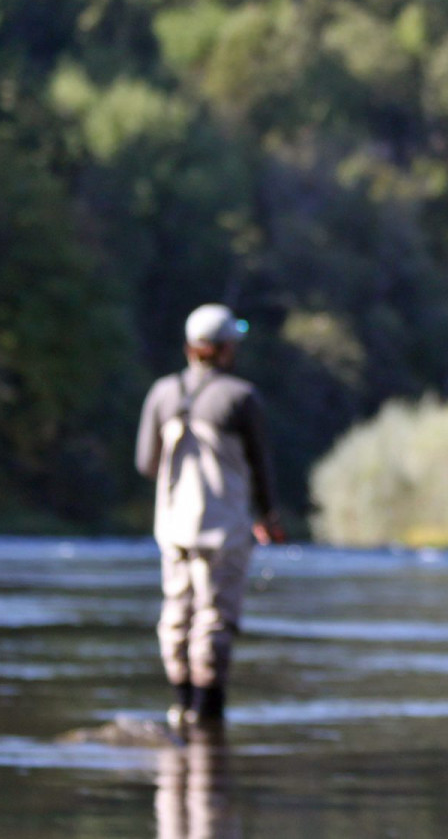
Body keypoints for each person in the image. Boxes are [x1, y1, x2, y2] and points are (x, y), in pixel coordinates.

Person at [135, 303, 284, 728]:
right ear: (223, 349)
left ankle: (180, 707)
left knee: (176, 615)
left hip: (173, 528)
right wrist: (268, 515)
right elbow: (260, 466)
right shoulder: (241, 397)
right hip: (224, 529)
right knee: (215, 619)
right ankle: (207, 714)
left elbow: (147, 464)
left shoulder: (161, 393)